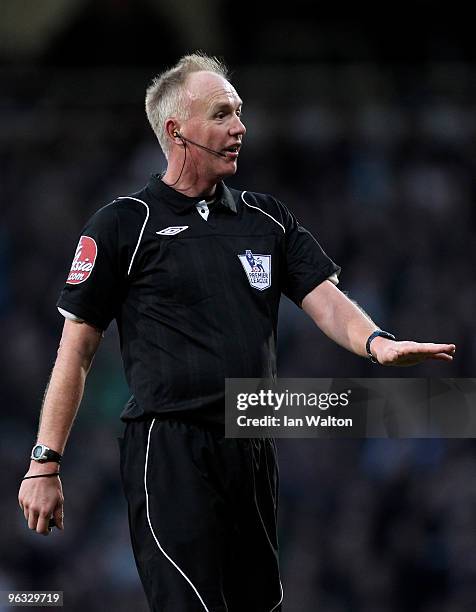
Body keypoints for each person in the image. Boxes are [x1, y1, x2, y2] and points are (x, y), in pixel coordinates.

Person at [18, 52, 456, 612]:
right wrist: (44, 462)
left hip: (251, 438)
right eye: (223, 114)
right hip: (170, 447)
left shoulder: (265, 218)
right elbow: (74, 353)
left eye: (240, 112)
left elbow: (327, 301)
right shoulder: (124, 223)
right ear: (178, 131)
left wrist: (378, 343)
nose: (240, 127)